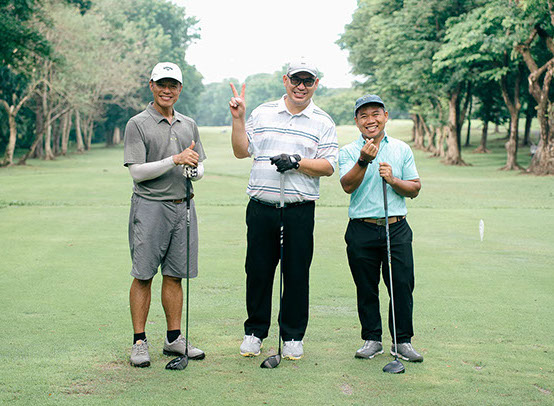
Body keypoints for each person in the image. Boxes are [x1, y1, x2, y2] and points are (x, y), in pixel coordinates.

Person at [229, 58, 338, 360]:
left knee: (296, 273)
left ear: (316, 84)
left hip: (298, 210)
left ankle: (292, 336)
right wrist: (239, 119)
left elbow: (328, 166)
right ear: (285, 80)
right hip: (262, 207)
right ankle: (255, 332)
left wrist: (297, 162)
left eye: (308, 81)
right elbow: (240, 151)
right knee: (258, 271)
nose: (301, 86)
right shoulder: (262, 112)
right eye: (296, 80)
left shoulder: (323, 121)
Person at [124, 62, 207, 367]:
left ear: (180, 89)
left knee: (174, 275)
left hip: (183, 206)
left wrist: (194, 170)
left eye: (173, 85)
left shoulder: (189, 124)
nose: (167, 90)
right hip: (150, 206)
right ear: (152, 85)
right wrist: (175, 159)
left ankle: (174, 339)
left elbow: (199, 165)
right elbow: (137, 172)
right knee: (143, 275)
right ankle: (139, 342)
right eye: (162, 84)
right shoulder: (137, 123)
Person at [338, 94, 423, 362]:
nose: (370, 120)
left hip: (396, 227)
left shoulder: (401, 149)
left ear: (385, 116)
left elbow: (415, 188)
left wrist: (394, 180)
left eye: (375, 114)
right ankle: (372, 339)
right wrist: (363, 160)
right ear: (356, 121)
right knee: (366, 287)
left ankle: (402, 341)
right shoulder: (348, 151)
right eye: (363, 116)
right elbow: (347, 185)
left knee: (401, 285)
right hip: (361, 228)